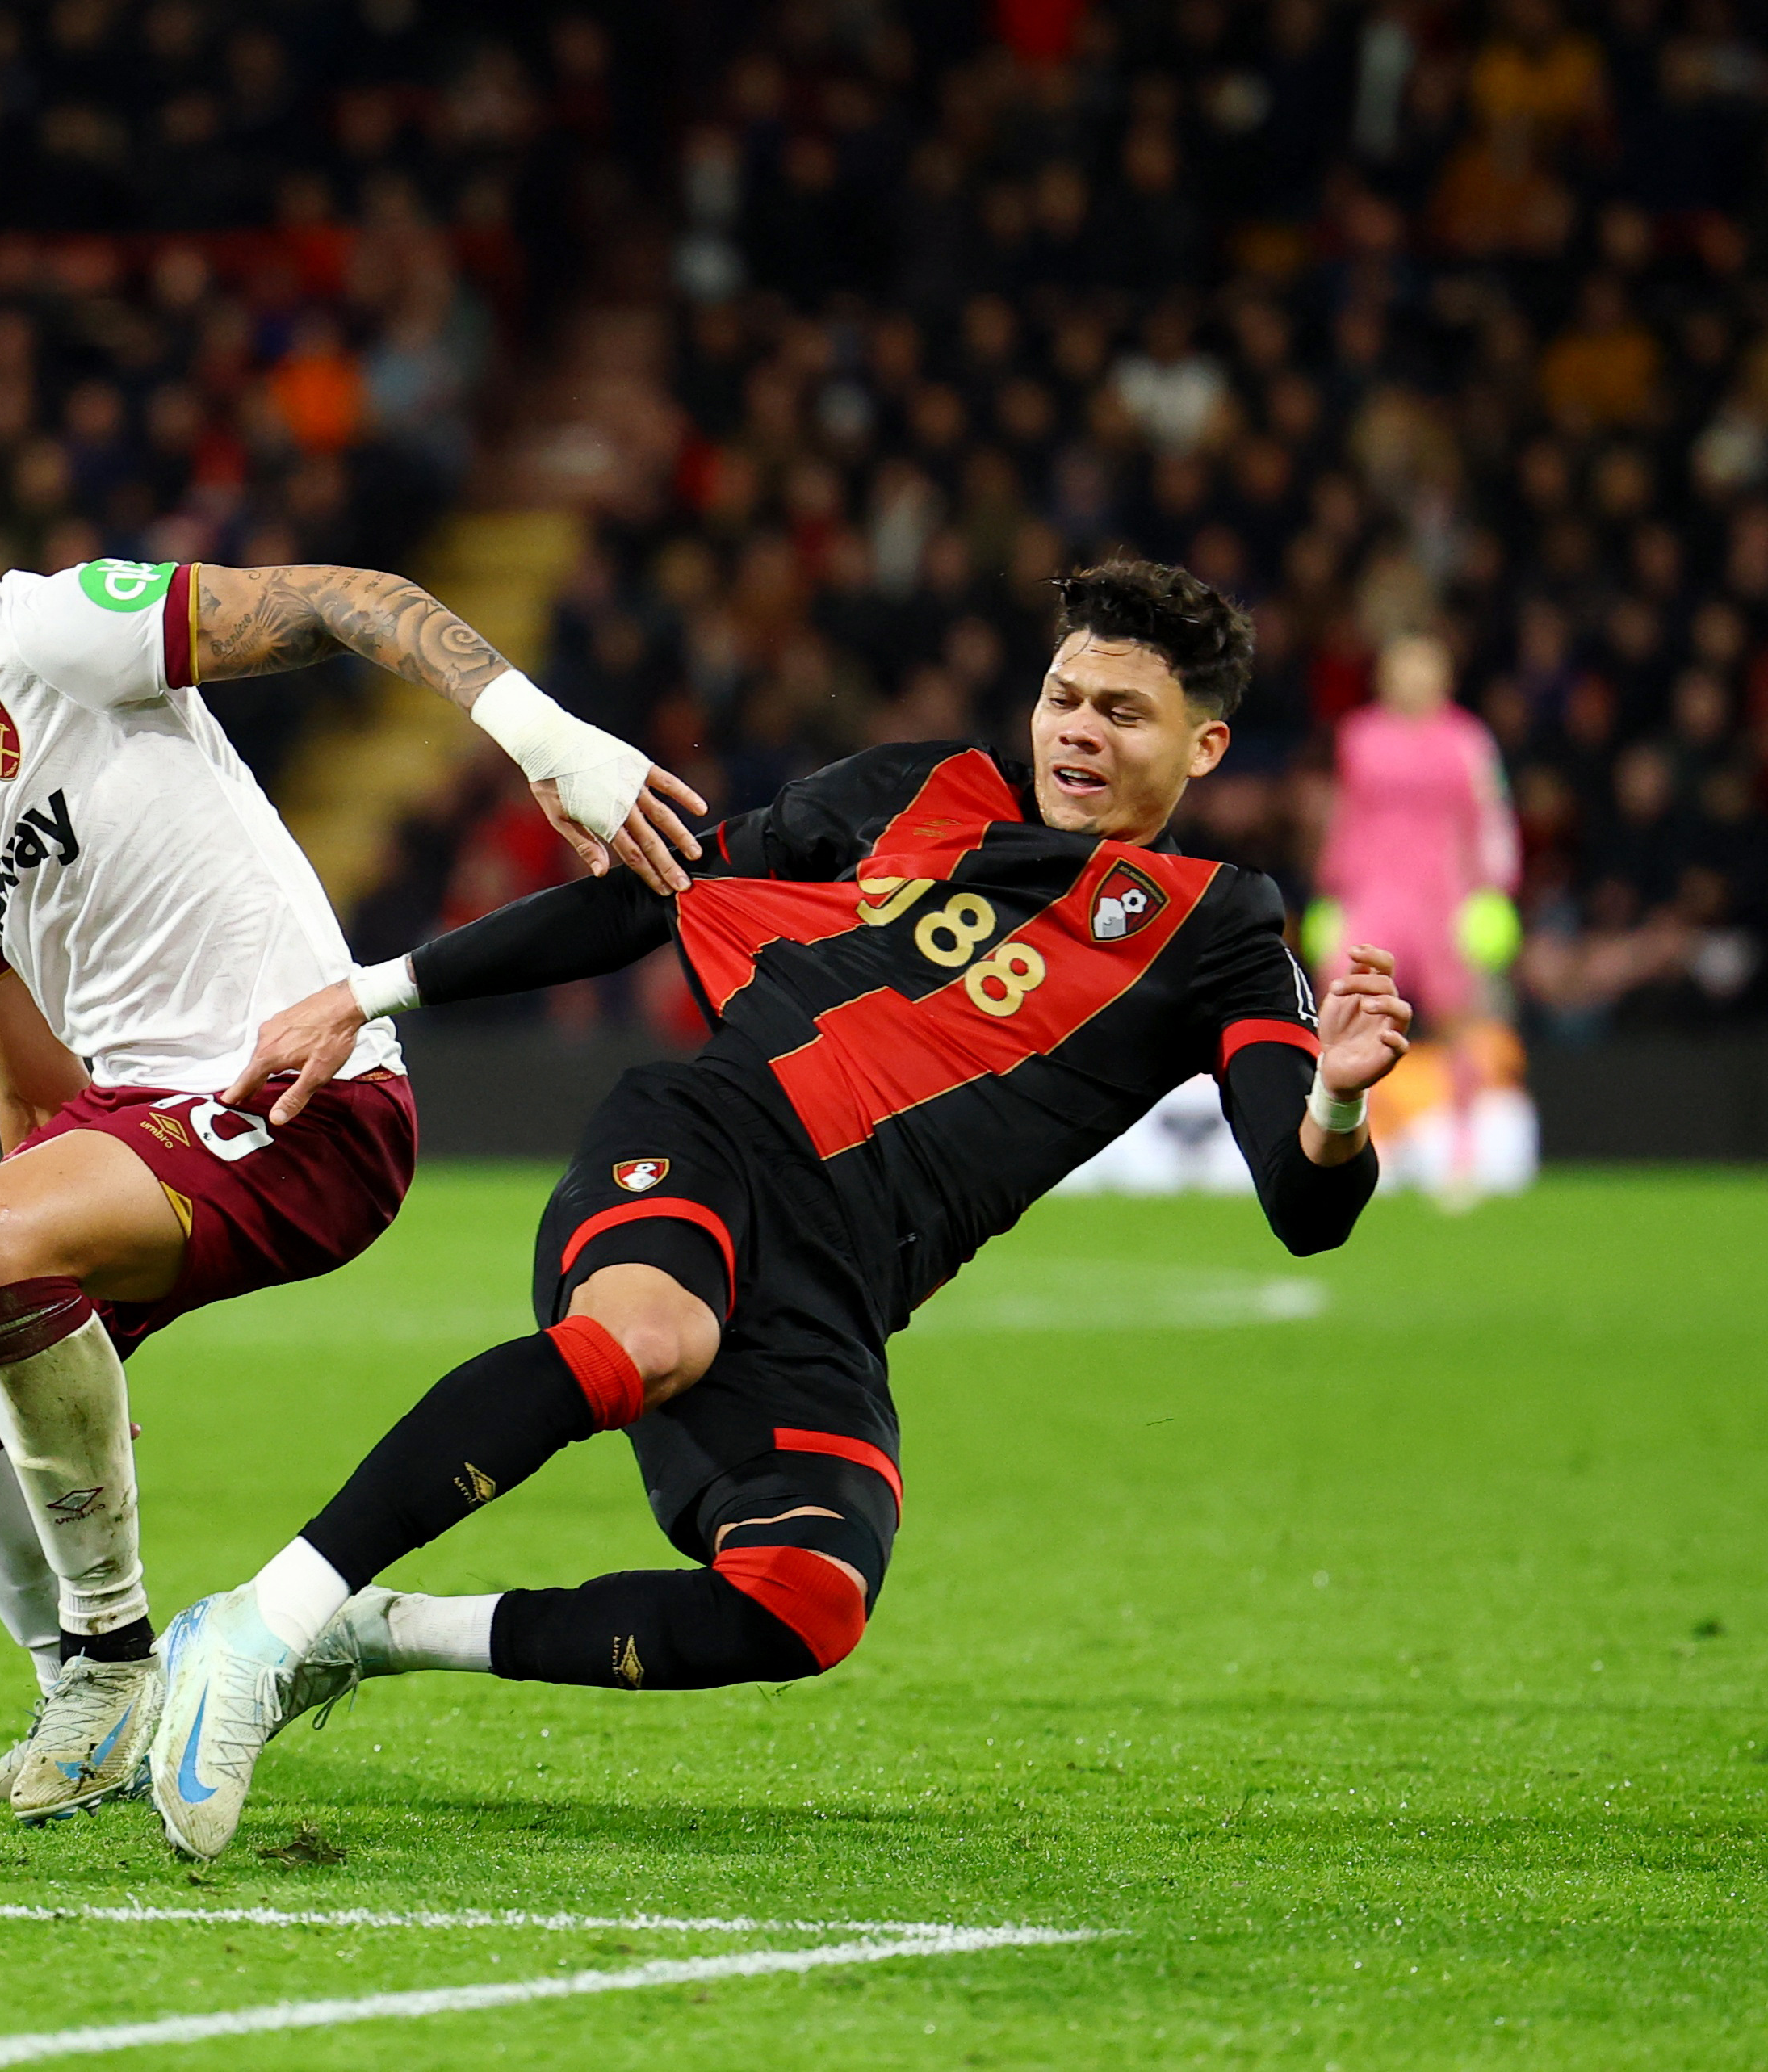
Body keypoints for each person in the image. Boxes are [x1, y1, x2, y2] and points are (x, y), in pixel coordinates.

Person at [140, 558, 1417, 1860]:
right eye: (1063, 697)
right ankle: (260, 1621)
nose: (1078, 731)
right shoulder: (917, 789)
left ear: (1204, 745)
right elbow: (646, 894)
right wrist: (371, 991)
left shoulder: (1220, 930)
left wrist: (1335, 1099)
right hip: (714, 1137)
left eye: (1122, 712)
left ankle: (377, 1633)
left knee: (806, 1596)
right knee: (646, 1338)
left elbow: (1305, 1204)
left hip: (840, 1282)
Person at [0, 425, 705, 1824]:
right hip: (137, 1117)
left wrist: (545, 739)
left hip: (302, 1096)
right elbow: (31, 1088)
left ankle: (116, 1668)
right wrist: (47, 1322)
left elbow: (345, 599)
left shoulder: (59, 630)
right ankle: (75, 1697)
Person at [1310, 631, 1519, 1196]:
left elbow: (1490, 816)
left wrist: (1493, 889)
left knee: (1460, 1023)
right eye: (1402, 670)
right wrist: (1333, 884)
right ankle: (1365, 1143)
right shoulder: (1360, 735)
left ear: (1443, 678)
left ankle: (1464, 1151)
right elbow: (1346, 813)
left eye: (1423, 670)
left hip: (1443, 899)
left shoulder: (1466, 739)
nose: (1411, 681)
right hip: (1374, 894)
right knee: (1351, 1017)